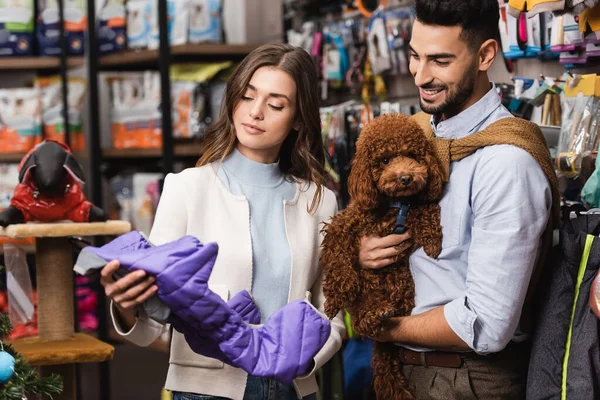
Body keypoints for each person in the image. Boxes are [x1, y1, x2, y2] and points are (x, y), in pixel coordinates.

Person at [99, 43, 345, 400]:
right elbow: (152, 324)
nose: (255, 112)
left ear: (297, 120)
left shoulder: (320, 202)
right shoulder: (186, 188)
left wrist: (302, 361)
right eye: (247, 96)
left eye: (275, 104)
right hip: (205, 391)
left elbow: (332, 312)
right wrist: (126, 304)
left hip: (291, 389)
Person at [358, 0, 556, 398]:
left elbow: (485, 324)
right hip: (403, 371)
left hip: (463, 380)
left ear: (485, 55)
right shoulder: (418, 137)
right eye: (415, 56)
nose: (420, 75)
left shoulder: (506, 163)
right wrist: (365, 251)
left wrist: (381, 326)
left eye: (440, 61)